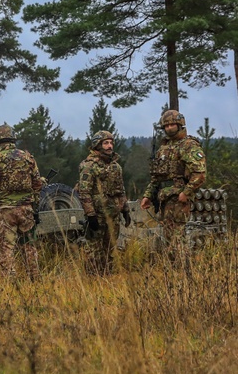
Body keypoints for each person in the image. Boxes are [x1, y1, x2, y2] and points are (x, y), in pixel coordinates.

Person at [140, 110, 206, 254]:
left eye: (172, 125)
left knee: (177, 236)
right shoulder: (163, 149)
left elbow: (199, 174)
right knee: (168, 236)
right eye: (166, 126)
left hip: (179, 199)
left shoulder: (188, 145)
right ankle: (172, 271)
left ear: (180, 124)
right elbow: (157, 177)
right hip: (164, 199)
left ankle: (181, 270)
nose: (169, 128)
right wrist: (148, 196)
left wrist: (186, 193)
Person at [0, 123, 43, 279]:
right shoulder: (27, 158)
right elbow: (37, 183)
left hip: (6, 210)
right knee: (29, 246)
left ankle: (10, 280)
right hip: (26, 209)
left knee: (6, 247)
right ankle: (35, 277)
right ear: (13, 138)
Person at [76, 130, 129, 274]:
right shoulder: (89, 166)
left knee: (110, 249)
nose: (109, 146)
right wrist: (91, 215)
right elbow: (84, 192)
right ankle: (93, 281)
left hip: (113, 216)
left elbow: (121, 190)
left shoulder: (115, 166)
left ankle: (107, 278)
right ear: (98, 145)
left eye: (111, 143)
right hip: (98, 216)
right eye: (106, 143)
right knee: (94, 251)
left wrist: (125, 210)